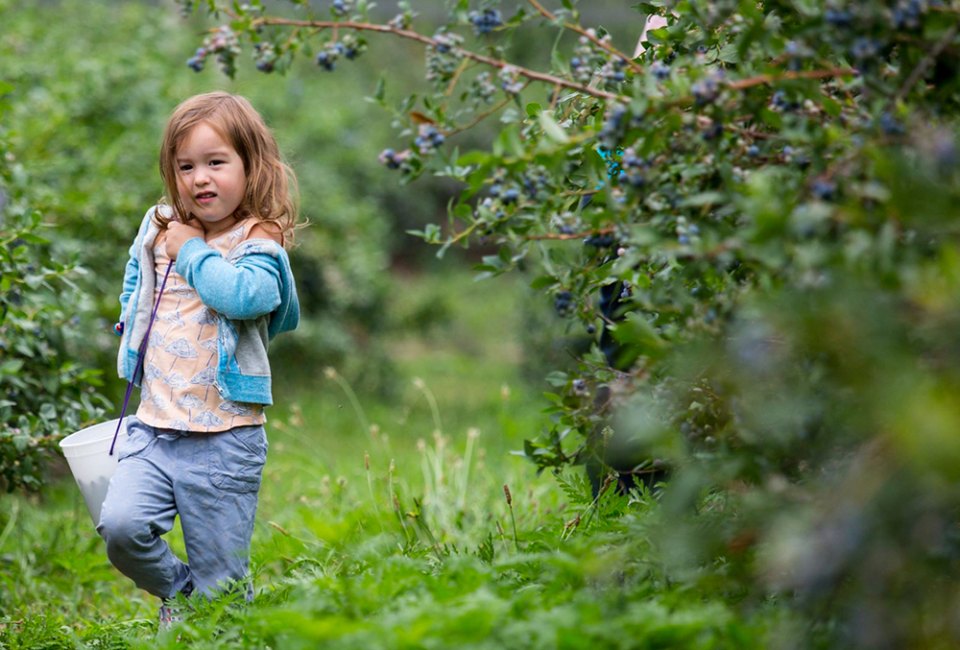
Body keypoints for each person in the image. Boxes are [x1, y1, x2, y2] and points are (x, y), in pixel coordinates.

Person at [97, 91, 301, 627]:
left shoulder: (258, 242)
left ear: (250, 166)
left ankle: (213, 614)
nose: (199, 178)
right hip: (155, 426)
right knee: (120, 526)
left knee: (224, 583)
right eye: (185, 166)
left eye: (216, 162)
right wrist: (130, 319)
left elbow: (244, 298)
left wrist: (190, 249)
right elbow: (137, 272)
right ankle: (182, 593)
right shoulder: (160, 222)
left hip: (225, 438)